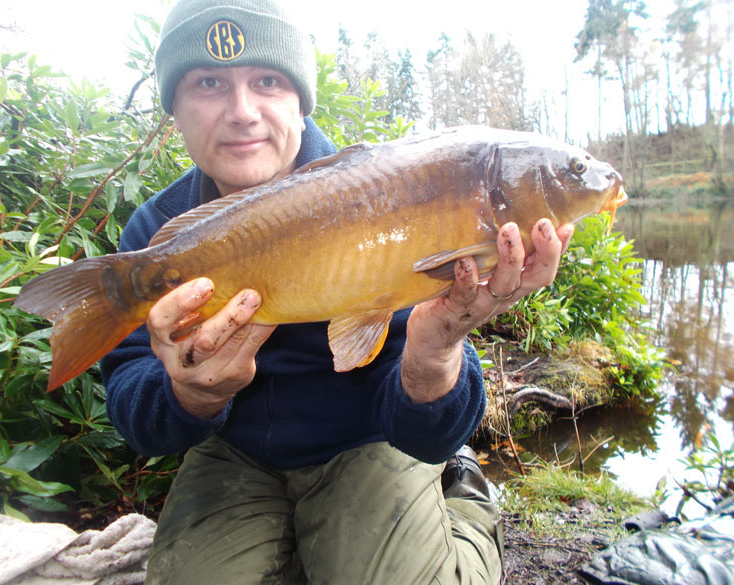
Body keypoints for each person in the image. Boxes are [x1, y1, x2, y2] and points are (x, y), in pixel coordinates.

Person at [101, 1, 574, 583]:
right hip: (235, 451)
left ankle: (468, 504)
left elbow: (427, 432)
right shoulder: (159, 238)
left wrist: (435, 356)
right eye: (209, 83)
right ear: (174, 107)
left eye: (267, 81)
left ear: (301, 101)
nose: (242, 112)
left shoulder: (392, 192)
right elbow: (134, 416)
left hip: (367, 440)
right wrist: (189, 396)